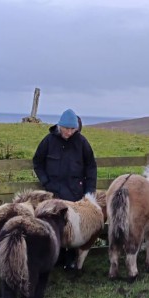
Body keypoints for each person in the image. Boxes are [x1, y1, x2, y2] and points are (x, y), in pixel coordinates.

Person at [32, 109, 98, 267]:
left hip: (76, 194)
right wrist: (46, 182)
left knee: (74, 227)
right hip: (54, 194)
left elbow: (91, 167)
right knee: (54, 226)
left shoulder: (82, 142)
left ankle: (72, 260)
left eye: (72, 129)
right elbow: (37, 162)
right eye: (67, 128)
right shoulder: (48, 141)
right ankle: (55, 259)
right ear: (60, 126)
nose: (69, 132)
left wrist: (89, 192)